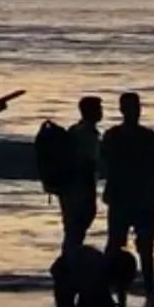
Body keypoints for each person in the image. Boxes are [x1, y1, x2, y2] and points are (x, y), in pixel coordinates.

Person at [102, 92, 154, 300]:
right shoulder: (149, 136)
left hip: (123, 196)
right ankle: (148, 289)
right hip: (143, 196)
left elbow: (105, 165)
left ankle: (113, 289)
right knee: (144, 247)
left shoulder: (112, 135)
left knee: (117, 245)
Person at [60, 96, 103, 252]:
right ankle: (68, 264)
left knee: (71, 231)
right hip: (80, 191)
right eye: (98, 109)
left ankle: (67, 262)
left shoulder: (74, 129)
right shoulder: (88, 134)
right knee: (76, 232)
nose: (101, 112)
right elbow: (88, 166)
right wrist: (90, 196)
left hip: (68, 190)